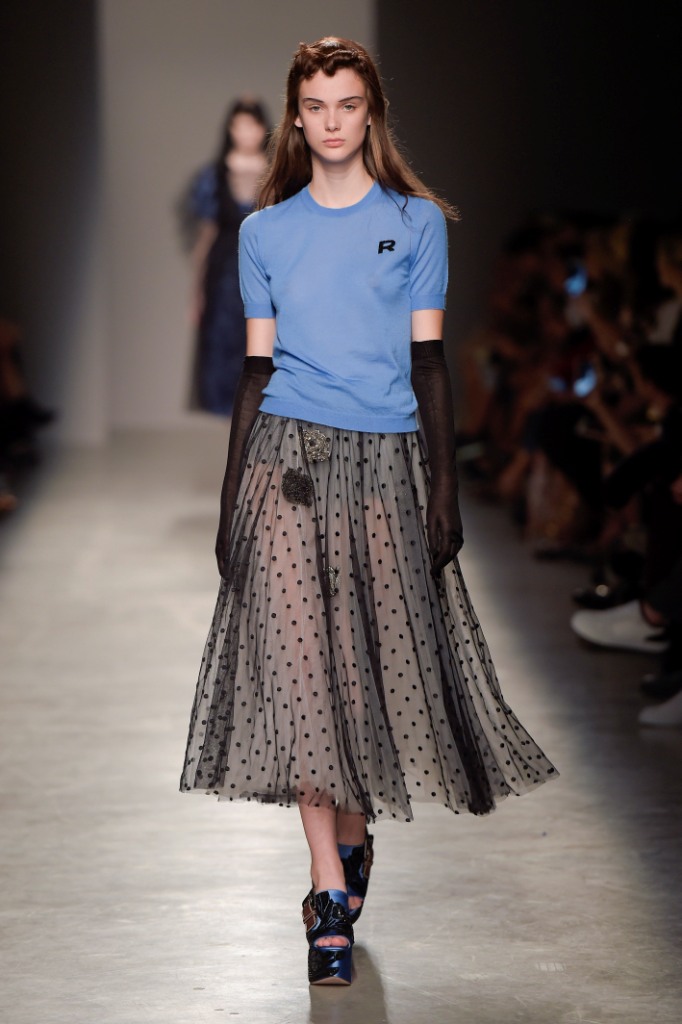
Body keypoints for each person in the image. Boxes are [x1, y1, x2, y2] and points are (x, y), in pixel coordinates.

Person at [179, 37, 558, 987]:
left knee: (362, 674)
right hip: (286, 462)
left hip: (386, 461)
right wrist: (230, 499)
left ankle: (351, 840)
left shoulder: (416, 221)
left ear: (371, 112)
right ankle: (327, 897)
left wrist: (444, 487)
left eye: (348, 103)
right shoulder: (264, 233)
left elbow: (429, 364)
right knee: (303, 673)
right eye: (316, 106)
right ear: (296, 118)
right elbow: (256, 371)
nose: (333, 121)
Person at [188, 98, 270, 415]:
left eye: (253, 124)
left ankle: (257, 432)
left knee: (263, 350)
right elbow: (206, 235)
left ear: (263, 128)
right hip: (223, 276)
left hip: (264, 271)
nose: (247, 132)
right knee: (223, 351)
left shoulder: (277, 173)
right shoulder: (214, 176)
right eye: (240, 125)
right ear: (230, 129)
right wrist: (196, 292)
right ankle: (236, 435)